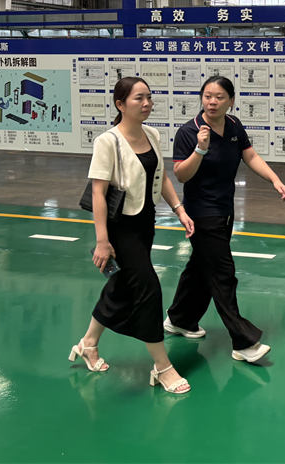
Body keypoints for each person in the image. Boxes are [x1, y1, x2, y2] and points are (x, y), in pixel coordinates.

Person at [69, 76, 196, 394]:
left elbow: (161, 177)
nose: (147, 103)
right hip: (119, 228)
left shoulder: (152, 134)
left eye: (149, 97)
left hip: (145, 222)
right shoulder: (107, 141)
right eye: (139, 98)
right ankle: (162, 367)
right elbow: (98, 193)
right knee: (148, 288)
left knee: (121, 285)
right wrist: (102, 241)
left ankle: (88, 343)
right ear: (120, 104)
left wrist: (179, 210)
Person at [165, 76, 285, 363]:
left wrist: (274, 179)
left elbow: (250, 156)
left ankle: (179, 319)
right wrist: (200, 149)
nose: (212, 102)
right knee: (222, 274)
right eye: (207, 96)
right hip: (201, 213)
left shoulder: (233, 126)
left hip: (225, 209)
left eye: (219, 97)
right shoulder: (189, 131)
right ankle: (243, 342)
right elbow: (181, 175)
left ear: (231, 101)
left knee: (200, 268)